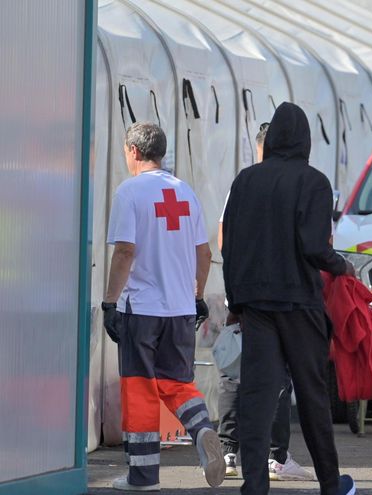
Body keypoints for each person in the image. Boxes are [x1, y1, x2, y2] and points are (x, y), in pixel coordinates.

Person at [221, 102, 356, 495]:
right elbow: (314, 246)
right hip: (299, 304)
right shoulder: (312, 182)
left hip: (257, 306)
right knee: (312, 395)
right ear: (305, 139)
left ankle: (255, 486)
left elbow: (231, 247)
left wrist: (236, 303)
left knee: (257, 398)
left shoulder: (244, 181)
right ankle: (330, 485)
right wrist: (341, 265)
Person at [101, 122, 225, 491]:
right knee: (176, 381)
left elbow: (125, 252)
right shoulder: (185, 193)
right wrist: (197, 295)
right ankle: (202, 428)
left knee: (139, 388)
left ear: (134, 152)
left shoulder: (130, 192)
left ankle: (143, 475)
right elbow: (203, 252)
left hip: (142, 308)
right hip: (180, 309)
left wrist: (110, 303)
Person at [216, 122, 313, 482]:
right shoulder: (294, 183)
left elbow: (225, 238)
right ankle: (275, 456)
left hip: (243, 291)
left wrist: (233, 290)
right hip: (277, 296)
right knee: (278, 375)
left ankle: (229, 452)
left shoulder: (242, 183)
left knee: (235, 372)